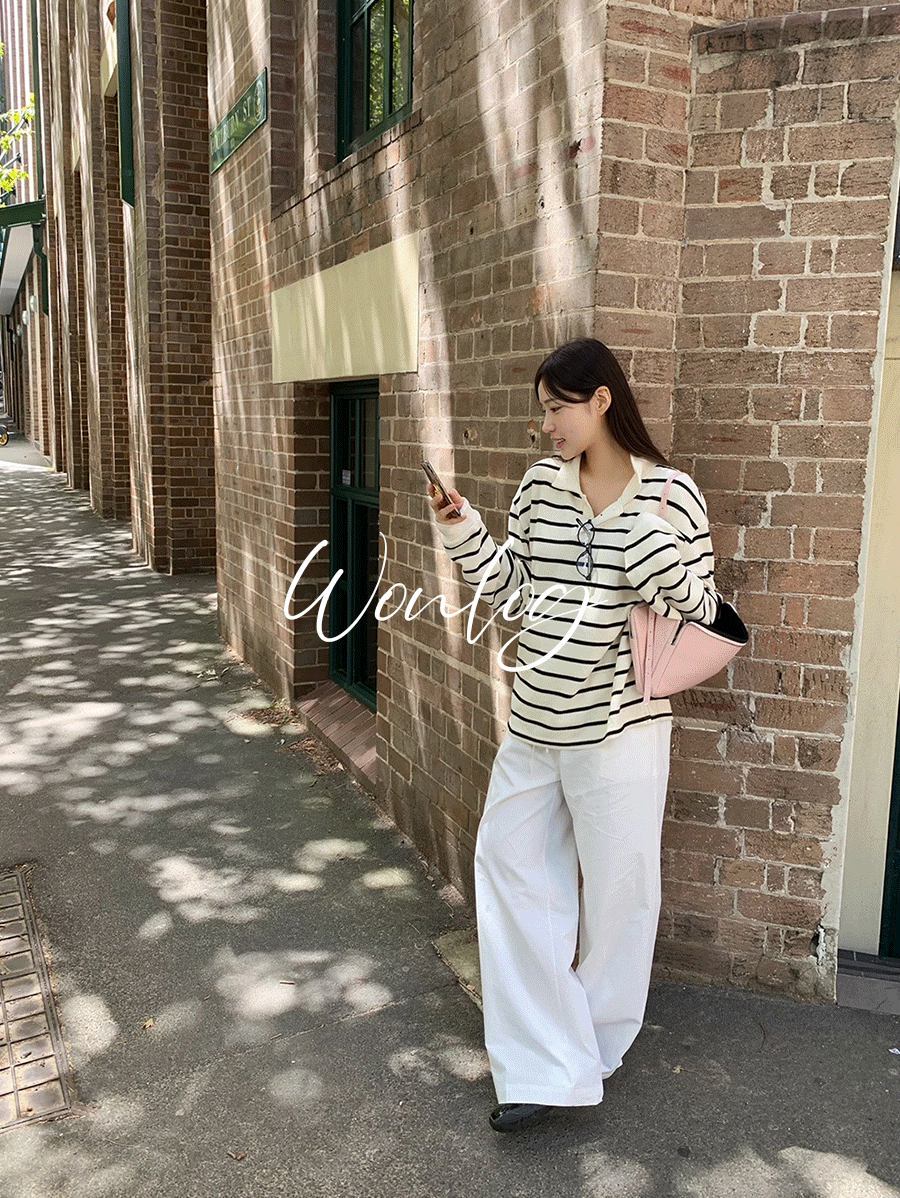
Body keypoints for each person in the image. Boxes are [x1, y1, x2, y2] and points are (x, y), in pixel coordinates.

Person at [426, 337, 721, 1134]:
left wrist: (650, 551)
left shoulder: (671, 497)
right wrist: (463, 530)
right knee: (511, 873)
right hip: (535, 723)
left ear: (601, 400)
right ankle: (541, 1059)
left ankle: (592, 1050)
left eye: (558, 408)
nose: (547, 424)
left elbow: (702, 607)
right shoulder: (538, 487)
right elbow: (513, 592)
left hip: (620, 731)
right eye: (543, 411)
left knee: (621, 897)